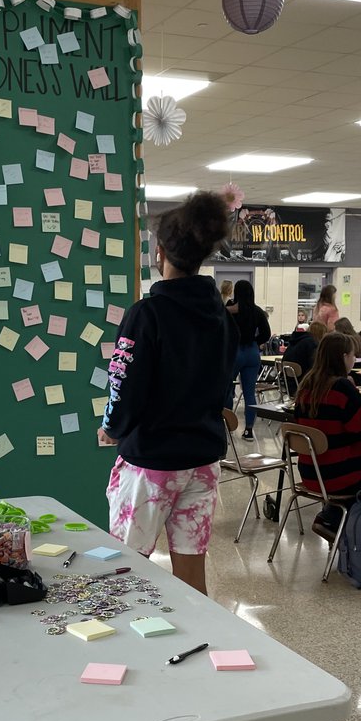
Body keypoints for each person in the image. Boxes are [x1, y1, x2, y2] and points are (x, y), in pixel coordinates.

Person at [100, 191, 238, 595]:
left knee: (125, 569)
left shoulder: (147, 313)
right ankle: (198, 646)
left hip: (151, 463)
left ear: (159, 252)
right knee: (192, 573)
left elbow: (124, 381)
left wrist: (112, 427)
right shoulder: (221, 317)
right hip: (202, 460)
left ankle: (126, 647)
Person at [294, 332, 361, 527]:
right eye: (353, 355)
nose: (355, 359)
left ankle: (333, 516)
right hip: (340, 475)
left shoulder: (306, 386)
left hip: (311, 472)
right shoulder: (340, 387)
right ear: (343, 357)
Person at [225, 280, 271, 440]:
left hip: (234, 351)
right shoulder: (257, 311)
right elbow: (266, 333)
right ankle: (249, 430)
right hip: (252, 353)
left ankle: (227, 428)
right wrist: (255, 342)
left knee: (227, 389)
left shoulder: (230, 309)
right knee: (250, 393)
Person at [281, 320, 327, 395]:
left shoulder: (294, 342)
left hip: (289, 384)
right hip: (304, 386)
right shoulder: (312, 345)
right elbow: (316, 367)